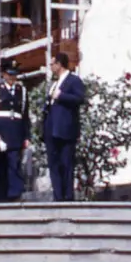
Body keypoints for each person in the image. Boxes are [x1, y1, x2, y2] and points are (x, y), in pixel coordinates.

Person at [42, 51, 85, 201]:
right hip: (51, 129)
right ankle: (58, 196)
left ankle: (67, 197)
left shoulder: (73, 80)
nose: (50, 67)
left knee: (66, 163)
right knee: (54, 164)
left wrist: (61, 96)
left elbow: (79, 98)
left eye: (52, 64)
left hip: (65, 129)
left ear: (59, 64)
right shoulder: (55, 83)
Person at [0, 62, 30, 202]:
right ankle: (3, 197)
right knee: (2, 166)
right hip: (1, 132)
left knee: (14, 163)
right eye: (9, 74)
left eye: (14, 75)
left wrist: (27, 136)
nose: (12, 78)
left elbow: (25, 116)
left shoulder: (21, 91)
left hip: (16, 133)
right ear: (4, 75)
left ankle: (15, 194)